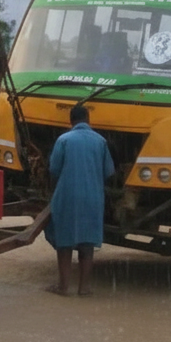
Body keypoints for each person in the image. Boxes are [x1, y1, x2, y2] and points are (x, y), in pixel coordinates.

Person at [44, 104, 114, 296]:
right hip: (93, 197)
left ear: (71, 120)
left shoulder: (64, 140)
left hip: (67, 196)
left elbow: (54, 169)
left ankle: (63, 286)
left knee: (64, 242)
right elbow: (109, 171)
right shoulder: (100, 142)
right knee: (87, 243)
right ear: (88, 119)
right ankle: (84, 288)